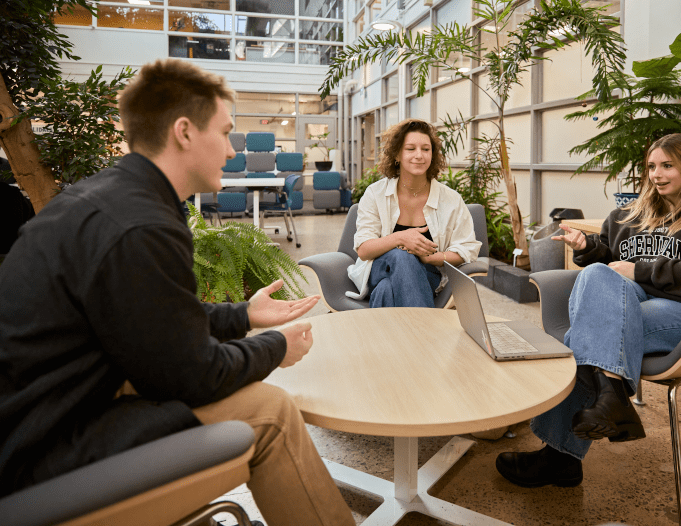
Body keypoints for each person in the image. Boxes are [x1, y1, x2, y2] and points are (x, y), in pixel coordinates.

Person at [0, 59, 355, 526]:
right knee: (271, 412)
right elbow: (194, 377)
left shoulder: (102, 199)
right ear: (184, 132)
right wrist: (278, 347)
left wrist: (244, 315)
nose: (231, 151)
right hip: (41, 447)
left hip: (36, 412)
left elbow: (152, 318)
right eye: (226, 133)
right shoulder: (143, 226)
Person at [496, 133, 681, 488]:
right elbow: (610, 265)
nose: (656, 174)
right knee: (597, 278)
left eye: (667, 166)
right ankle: (612, 395)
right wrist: (588, 248)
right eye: (651, 166)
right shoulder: (628, 216)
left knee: (582, 337)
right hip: (630, 301)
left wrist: (641, 271)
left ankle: (560, 456)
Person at [346, 118, 481, 307]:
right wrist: (401, 238)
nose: (419, 155)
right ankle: (424, 332)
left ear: (432, 155)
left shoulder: (451, 200)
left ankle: (380, 336)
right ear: (397, 155)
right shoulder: (375, 194)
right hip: (377, 268)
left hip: (427, 274)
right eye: (410, 149)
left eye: (426, 149)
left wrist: (429, 258)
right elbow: (364, 250)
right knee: (401, 256)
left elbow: (466, 249)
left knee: (386, 289)